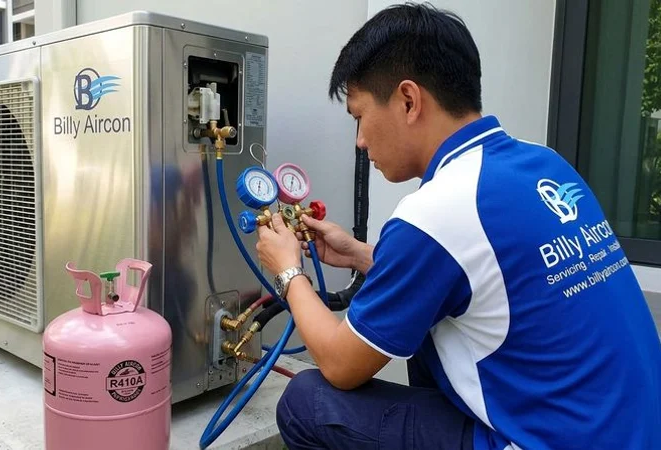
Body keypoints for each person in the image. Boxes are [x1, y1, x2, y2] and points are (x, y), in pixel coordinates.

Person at [254, 3, 661, 449]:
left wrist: (289, 271)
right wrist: (358, 253)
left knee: (306, 402)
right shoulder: (544, 164)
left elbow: (337, 363)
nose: (361, 140)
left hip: (548, 440)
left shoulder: (436, 212)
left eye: (359, 116)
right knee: (427, 328)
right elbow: (481, 274)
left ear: (409, 100)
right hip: (630, 430)